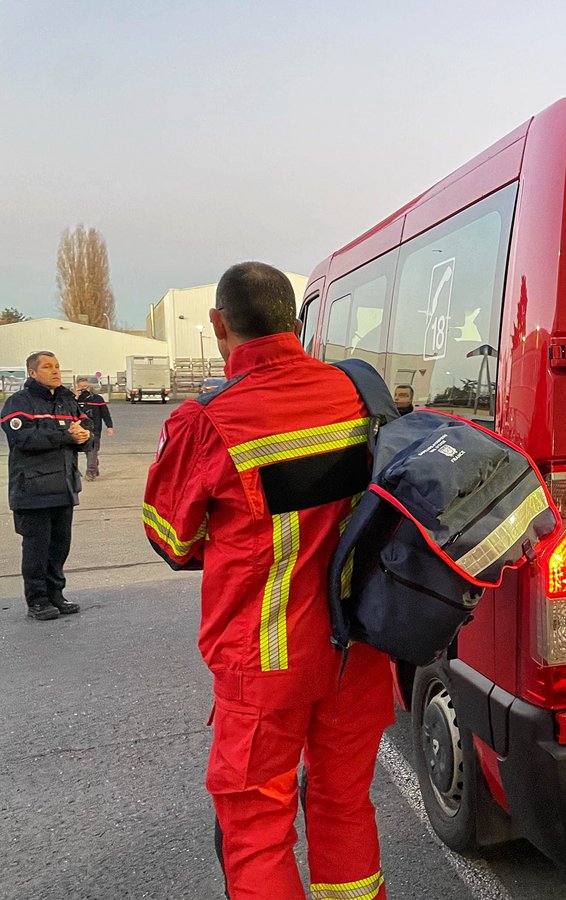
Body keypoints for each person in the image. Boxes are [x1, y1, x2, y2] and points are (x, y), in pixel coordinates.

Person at [143, 262, 394, 899]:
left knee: (256, 829)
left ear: (219, 324)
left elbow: (173, 539)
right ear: (293, 320)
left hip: (266, 661)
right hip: (357, 647)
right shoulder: (358, 393)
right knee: (344, 806)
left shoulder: (208, 421)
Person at [3, 351, 90, 620]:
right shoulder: (19, 402)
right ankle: (37, 600)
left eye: (57, 366)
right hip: (33, 490)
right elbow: (24, 439)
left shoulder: (67, 400)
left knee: (59, 547)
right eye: (47, 367)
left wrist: (85, 437)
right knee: (37, 548)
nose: (55, 371)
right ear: (32, 373)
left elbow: (84, 430)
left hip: (64, 487)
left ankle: (56, 595)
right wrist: (65, 435)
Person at [75, 377, 114, 481]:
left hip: (95, 429)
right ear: (77, 387)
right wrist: (75, 398)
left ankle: (90, 472)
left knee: (92, 450)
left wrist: (109, 426)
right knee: (86, 451)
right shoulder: (73, 400)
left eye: (86, 387)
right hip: (78, 429)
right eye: (81, 387)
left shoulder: (98, 399)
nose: (84, 389)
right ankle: (93, 464)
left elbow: (105, 414)